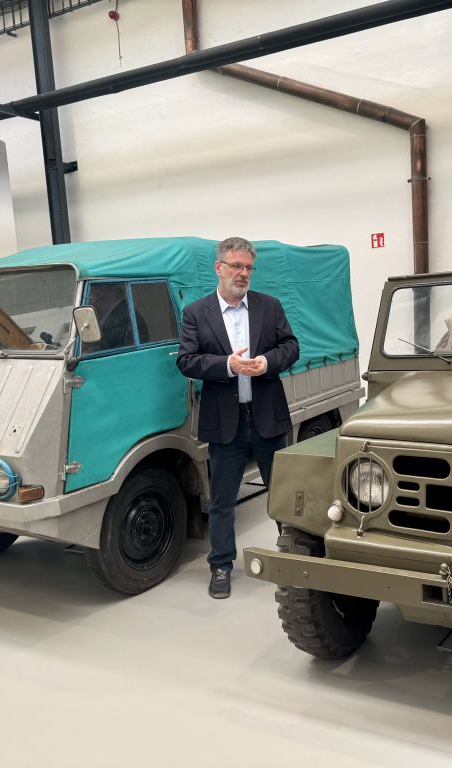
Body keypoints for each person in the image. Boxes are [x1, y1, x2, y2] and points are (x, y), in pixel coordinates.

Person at [176, 237, 300, 599]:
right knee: (222, 500)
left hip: (267, 416)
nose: (243, 273)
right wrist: (227, 365)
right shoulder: (197, 313)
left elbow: (291, 347)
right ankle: (221, 566)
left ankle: (293, 561)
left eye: (248, 267)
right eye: (236, 266)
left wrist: (266, 362)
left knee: (282, 495)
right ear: (219, 268)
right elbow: (186, 361)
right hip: (225, 420)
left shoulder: (269, 306)